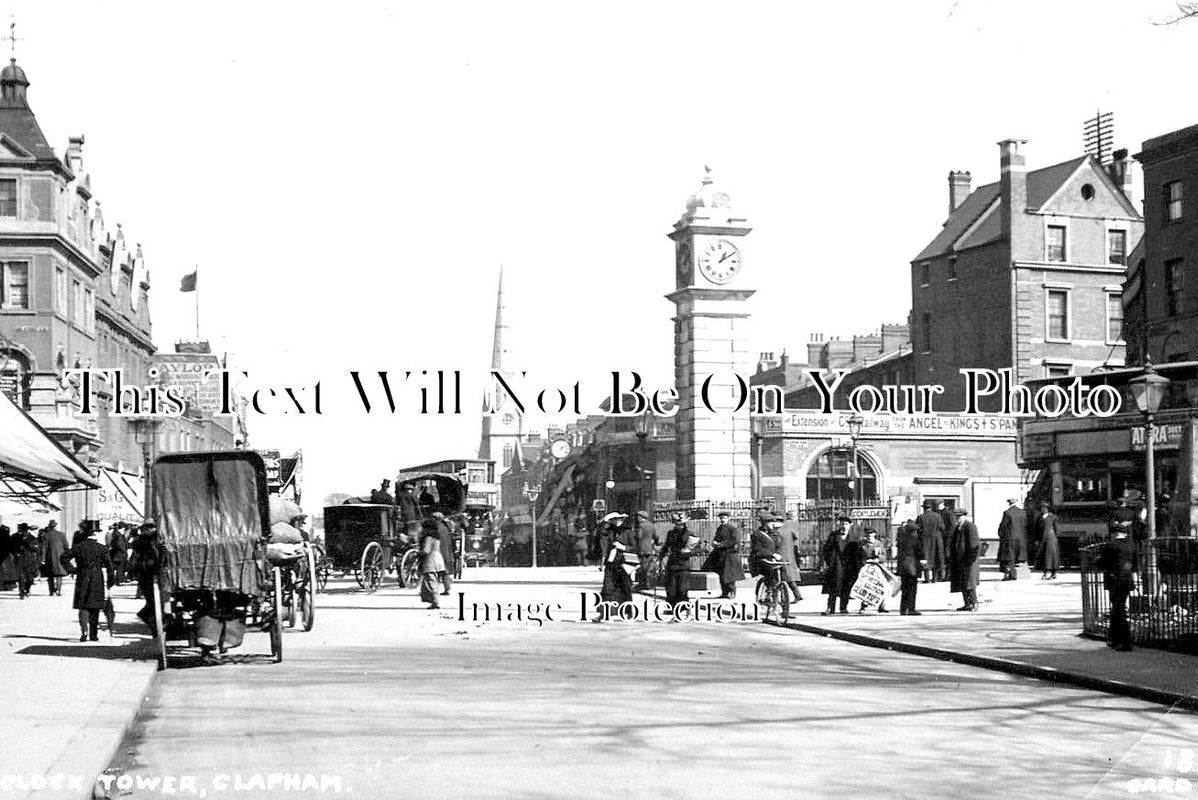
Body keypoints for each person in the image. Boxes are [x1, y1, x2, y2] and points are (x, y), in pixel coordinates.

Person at [60, 522, 113, 641]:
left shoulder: (79, 546)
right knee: (95, 605)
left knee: (83, 605)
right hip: (97, 578)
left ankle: (84, 632)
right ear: (95, 535)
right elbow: (110, 566)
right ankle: (93, 635)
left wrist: (72, 570)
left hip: (82, 576)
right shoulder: (102, 548)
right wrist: (110, 581)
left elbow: (63, 557)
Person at [1096, 523, 1139, 651]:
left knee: (1119, 610)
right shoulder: (1132, 545)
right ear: (1125, 534)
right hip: (1126, 580)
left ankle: (1125, 642)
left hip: (1114, 580)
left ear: (1114, 534)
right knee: (1117, 609)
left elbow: (1101, 563)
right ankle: (1114, 639)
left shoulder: (1110, 546)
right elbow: (1135, 564)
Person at [130, 522, 165, 631]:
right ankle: (155, 625)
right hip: (150, 573)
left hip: (148, 573)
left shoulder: (145, 540)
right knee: (154, 602)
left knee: (153, 602)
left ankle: (155, 624)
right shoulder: (148, 540)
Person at [597, 513, 633, 619]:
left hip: (624, 563)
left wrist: (623, 547)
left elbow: (634, 547)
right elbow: (602, 542)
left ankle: (629, 612)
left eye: (619, 519)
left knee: (625, 588)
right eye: (615, 520)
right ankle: (604, 613)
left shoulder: (628, 532)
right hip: (611, 563)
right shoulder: (608, 532)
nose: (617, 521)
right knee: (607, 588)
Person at [821, 517, 858, 615]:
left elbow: (858, 552)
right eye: (842, 524)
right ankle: (830, 608)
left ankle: (843, 607)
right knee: (833, 587)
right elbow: (826, 549)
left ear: (850, 525)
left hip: (849, 567)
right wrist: (830, 562)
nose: (843, 526)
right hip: (836, 565)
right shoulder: (833, 535)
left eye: (846, 524)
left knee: (846, 588)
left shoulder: (854, 537)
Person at [704, 511, 745, 599]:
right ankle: (724, 592)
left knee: (729, 575)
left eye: (724, 518)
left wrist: (721, 544)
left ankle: (732, 592)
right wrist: (714, 543)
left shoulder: (733, 529)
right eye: (721, 518)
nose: (722, 520)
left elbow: (735, 540)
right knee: (721, 574)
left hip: (730, 555)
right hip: (720, 555)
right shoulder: (720, 528)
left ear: (728, 518)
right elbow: (716, 538)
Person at [659, 514, 696, 608]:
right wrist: (661, 555)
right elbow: (667, 546)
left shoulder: (690, 534)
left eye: (681, 524)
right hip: (673, 563)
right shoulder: (671, 533)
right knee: (671, 588)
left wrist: (689, 552)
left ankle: (683, 607)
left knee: (683, 588)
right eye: (677, 524)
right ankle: (671, 607)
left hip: (684, 564)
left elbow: (698, 548)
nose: (679, 526)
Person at [948, 508, 980, 611]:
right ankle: (967, 603)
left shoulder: (970, 526)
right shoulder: (957, 527)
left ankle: (974, 603)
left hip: (968, 560)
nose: (958, 519)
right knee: (962, 582)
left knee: (969, 582)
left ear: (964, 516)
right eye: (956, 517)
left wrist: (971, 558)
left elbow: (974, 544)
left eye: (959, 516)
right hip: (959, 559)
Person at [895, 519, 925, 615]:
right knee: (912, 589)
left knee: (904, 589)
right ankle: (911, 608)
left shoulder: (901, 540)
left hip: (903, 568)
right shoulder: (915, 540)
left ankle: (903, 608)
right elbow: (920, 553)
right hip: (913, 568)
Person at [774, 511, 803, 603]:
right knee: (789, 578)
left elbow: (775, 544)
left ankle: (779, 598)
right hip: (789, 555)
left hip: (779, 556)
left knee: (779, 578)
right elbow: (795, 539)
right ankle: (797, 595)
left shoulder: (776, 532)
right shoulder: (788, 530)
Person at [418, 519, 447, 609]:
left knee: (431, 581)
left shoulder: (428, 538)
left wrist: (418, 553)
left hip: (430, 561)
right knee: (435, 581)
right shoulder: (436, 537)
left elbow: (426, 550)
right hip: (438, 559)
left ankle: (435, 602)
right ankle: (434, 601)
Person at [997, 498, 1028, 580]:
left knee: (1008, 557)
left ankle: (1009, 574)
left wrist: (1001, 534)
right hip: (1021, 539)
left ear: (1009, 503)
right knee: (1018, 557)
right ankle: (1017, 574)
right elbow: (1025, 525)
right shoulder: (1023, 512)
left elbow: (1003, 526)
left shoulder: (1007, 513)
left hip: (1010, 538)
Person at [917, 500, 944, 584]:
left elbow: (918, 529)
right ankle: (935, 578)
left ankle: (927, 578)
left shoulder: (921, 517)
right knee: (936, 558)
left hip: (925, 541)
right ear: (931, 507)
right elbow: (942, 528)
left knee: (926, 558)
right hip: (936, 540)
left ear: (924, 508)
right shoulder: (938, 516)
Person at [631, 511, 658, 590]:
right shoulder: (651, 525)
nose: (637, 518)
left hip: (641, 549)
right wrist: (655, 543)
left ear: (641, 517)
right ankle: (648, 583)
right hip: (649, 549)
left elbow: (639, 536)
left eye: (638, 517)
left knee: (642, 567)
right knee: (648, 566)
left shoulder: (641, 525)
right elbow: (656, 536)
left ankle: (644, 584)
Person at [41, 520, 69, 596]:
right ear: (55, 526)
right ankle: (58, 590)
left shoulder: (45, 535)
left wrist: (43, 558)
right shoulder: (61, 535)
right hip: (60, 557)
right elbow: (66, 546)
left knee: (50, 575)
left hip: (49, 557)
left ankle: (51, 591)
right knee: (59, 575)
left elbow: (43, 547)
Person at [1036, 501, 1060, 580]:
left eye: (1045, 508)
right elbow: (1037, 530)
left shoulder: (1053, 517)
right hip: (1043, 539)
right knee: (1044, 556)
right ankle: (1045, 572)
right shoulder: (1039, 518)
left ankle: (1053, 573)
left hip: (1051, 539)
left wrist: (1054, 538)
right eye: (1042, 508)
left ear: (1048, 509)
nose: (1043, 509)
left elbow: (1056, 529)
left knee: (1051, 556)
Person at [434, 512, 455, 594]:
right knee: (444, 571)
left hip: (439, 551)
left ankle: (431, 590)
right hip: (446, 552)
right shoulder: (445, 527)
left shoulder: (437, 527)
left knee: (431, 571)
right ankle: (447, 588)